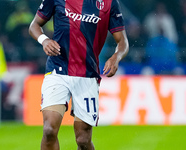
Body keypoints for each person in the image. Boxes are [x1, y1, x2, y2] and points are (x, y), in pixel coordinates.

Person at [29, 0, 129, 149]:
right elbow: (34, 26)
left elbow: (123, 42)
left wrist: (116, 57)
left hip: (87, 75)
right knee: (49, 130)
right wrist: (44, 41)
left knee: (83, 139)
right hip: (57, 70)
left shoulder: (109, 3)